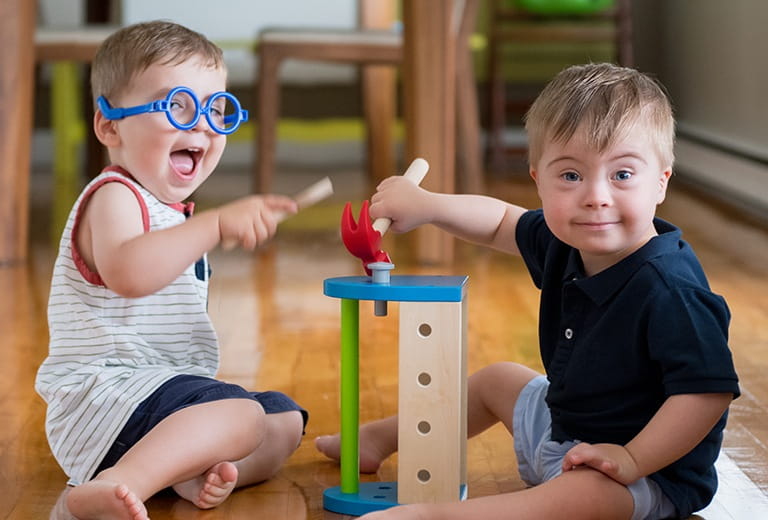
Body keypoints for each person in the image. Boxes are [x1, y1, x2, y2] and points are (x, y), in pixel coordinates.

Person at [316, 63, 740, 519]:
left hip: (640, 472)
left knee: (582, 498)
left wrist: (632, 459)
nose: (596, 196)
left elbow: (704, 394)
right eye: (571, 176)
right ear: (538, 180)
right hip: (562, 428)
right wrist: (428, 206)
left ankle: (434, 515)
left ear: (661, 182)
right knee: (499, 378)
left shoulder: (670, 288)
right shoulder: (565, 241)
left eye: (622, 175)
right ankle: (378, 438)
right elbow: (501, 221)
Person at [35, 21, 307, 520]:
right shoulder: (114, 194)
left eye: (216, 109)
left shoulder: (168, 210)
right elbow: (131, 273)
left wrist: (205, 226)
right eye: (175, 105)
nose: (202, 124)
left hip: (154, 400)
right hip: (104, 400)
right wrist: (214, 224)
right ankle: (118, 483)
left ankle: (188, 473)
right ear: (109, 126)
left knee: (283, 419)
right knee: (242, 415)